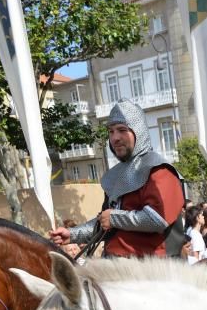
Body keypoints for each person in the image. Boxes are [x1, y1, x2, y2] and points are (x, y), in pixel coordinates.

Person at [49, 100, 186, 258]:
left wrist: (115, 217)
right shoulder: (116, 176)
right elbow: (105, 222)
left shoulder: (159, 170)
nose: (115, 138)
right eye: (111, 131)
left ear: (138, 131)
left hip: (152, 268)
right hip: (115, 263)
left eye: (122, 130)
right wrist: (72, 234)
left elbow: (158, 218)